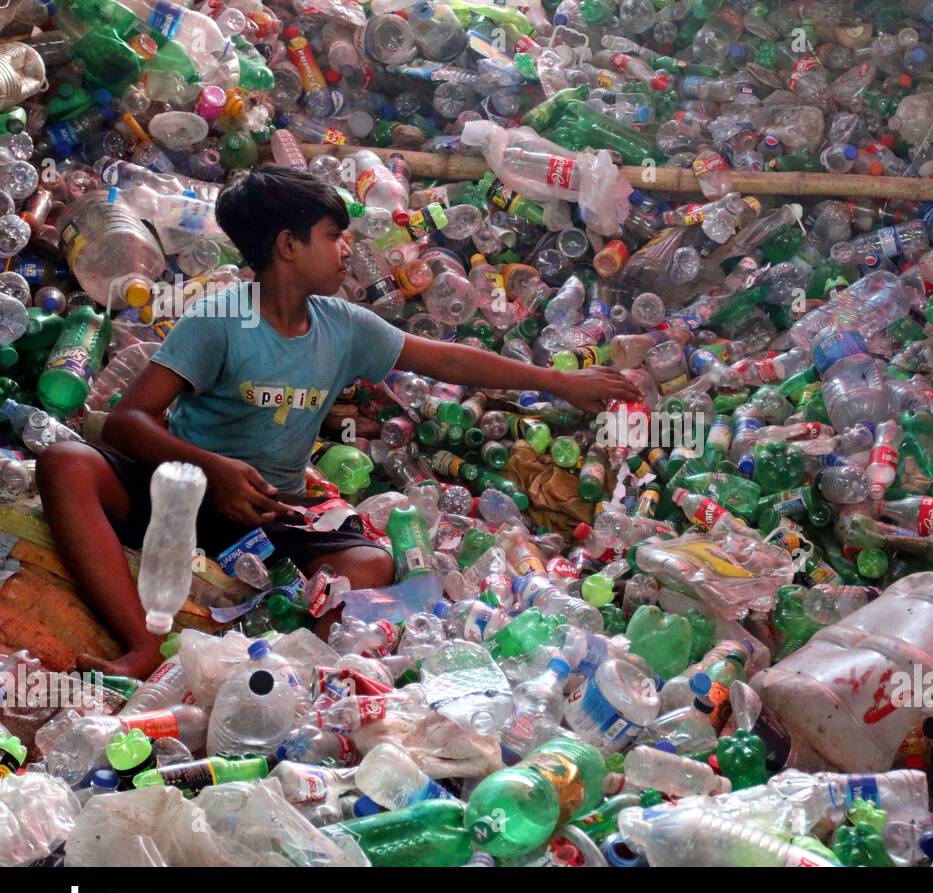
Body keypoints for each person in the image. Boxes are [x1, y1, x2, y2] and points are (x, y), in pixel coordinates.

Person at [36, 165, 640, 679]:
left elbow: (449, 359)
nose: (349, 248)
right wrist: (212, 470)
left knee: (370, 567)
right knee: (65, 463)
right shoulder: (217, 321)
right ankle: (143, 644)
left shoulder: (344, 326)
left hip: (274, 512)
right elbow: (128, 420)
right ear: (287, 246)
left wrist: (562, 382)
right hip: (181, 493)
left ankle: (281, 668)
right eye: (334, 235)